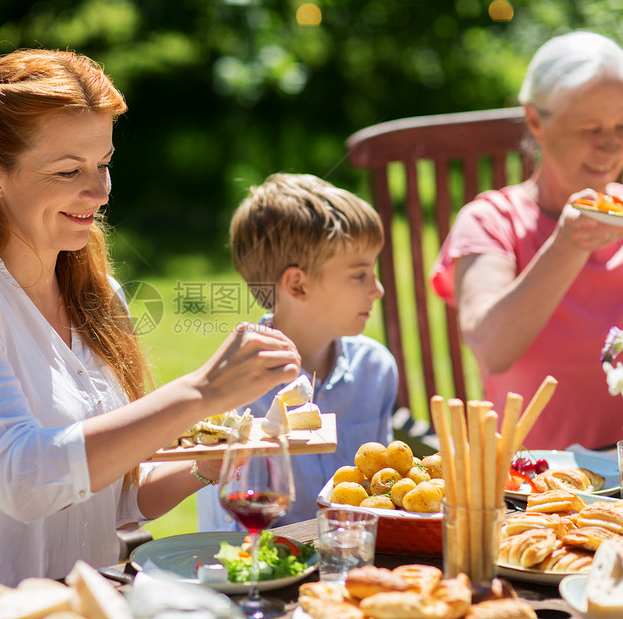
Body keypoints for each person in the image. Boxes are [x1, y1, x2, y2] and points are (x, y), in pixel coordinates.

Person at [0, 49, 301, 611]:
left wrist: (205, 463)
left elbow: (119, 496)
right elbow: (25, 479)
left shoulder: (96, 293)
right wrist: (201, 392)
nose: (100, 191)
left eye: (103, 164)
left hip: (93, 602)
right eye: (69, 170)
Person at [430, 31, 623, 450]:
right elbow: (490, 347)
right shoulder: (492, 222)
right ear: (536, 121)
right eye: (591, 128)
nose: (610, 145)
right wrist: (569, 245)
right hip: (533, 487)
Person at [197, 173, 398, 531]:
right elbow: (226, 529)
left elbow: (383, 491)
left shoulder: (376, 369)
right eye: (360, 274)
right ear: (298, 284)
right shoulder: (235, 387)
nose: (377, 289)